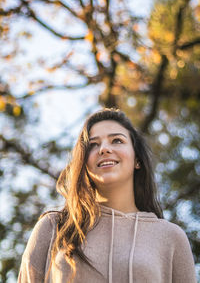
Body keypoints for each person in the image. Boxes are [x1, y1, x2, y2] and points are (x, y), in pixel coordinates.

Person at [18, 108, 197, 283]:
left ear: (137, 160)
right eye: (93, 145)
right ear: (84, 162)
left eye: (117, 141)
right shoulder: (54, 227)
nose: (103, 149)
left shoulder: (171, 237)